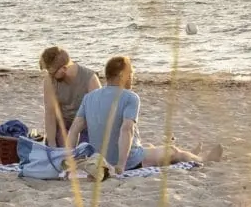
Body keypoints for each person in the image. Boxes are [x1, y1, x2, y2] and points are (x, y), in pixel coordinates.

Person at [73, 56, 220, 175]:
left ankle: (187, 154)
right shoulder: (130, 97)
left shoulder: (89, 97)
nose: (133, 77)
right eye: (131, 74)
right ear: (122, 75)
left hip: (100, 160)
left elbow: (74, 130)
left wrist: (68, 161)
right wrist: (121, 166)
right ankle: (202, 158)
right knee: (173, 151)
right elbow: (127, 130)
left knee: (148, 146)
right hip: (126, 161)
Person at [41, 45, 101, 145]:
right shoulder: (49, 80)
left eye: (52, 73)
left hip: (86, 124)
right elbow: (50, 112)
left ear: (63, 68)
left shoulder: (90, 79)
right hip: (63, 123)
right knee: (53, 149)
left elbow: (98, 116)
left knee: (84, 152)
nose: (50, 75)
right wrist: (52, 144)